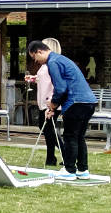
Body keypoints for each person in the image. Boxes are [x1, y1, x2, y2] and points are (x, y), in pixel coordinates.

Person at [27, 40, 98, 180]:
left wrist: (52, 105)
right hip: (88, 102)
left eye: (34, 57)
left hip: (75, 102)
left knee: (70, 136)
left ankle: (70, 170)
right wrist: (54, 107)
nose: (35, 61)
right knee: (79, 137)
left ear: (39, 52)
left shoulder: (52, 63)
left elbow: (60, 88)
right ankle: (82, 169)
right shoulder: (61, 59)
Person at [24, 36, 62, 167]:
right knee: (47, 129)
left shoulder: (51, 65)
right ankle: (51, 158)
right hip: (44, 102)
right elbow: (44, 80)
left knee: (48, 129)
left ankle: (64, 153)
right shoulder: (46, 66)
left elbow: (54, 84)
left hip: (49, 103)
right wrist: (34, 78)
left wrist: (51, 103)